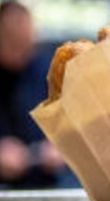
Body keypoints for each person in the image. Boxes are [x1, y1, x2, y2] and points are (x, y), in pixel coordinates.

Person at [0, 0, 67, 188]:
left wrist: (60, 147)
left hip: (47, 179)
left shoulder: (46, 70)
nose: (21, 52)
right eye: (13, 43)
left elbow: (70, 125)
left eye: (26, 43)